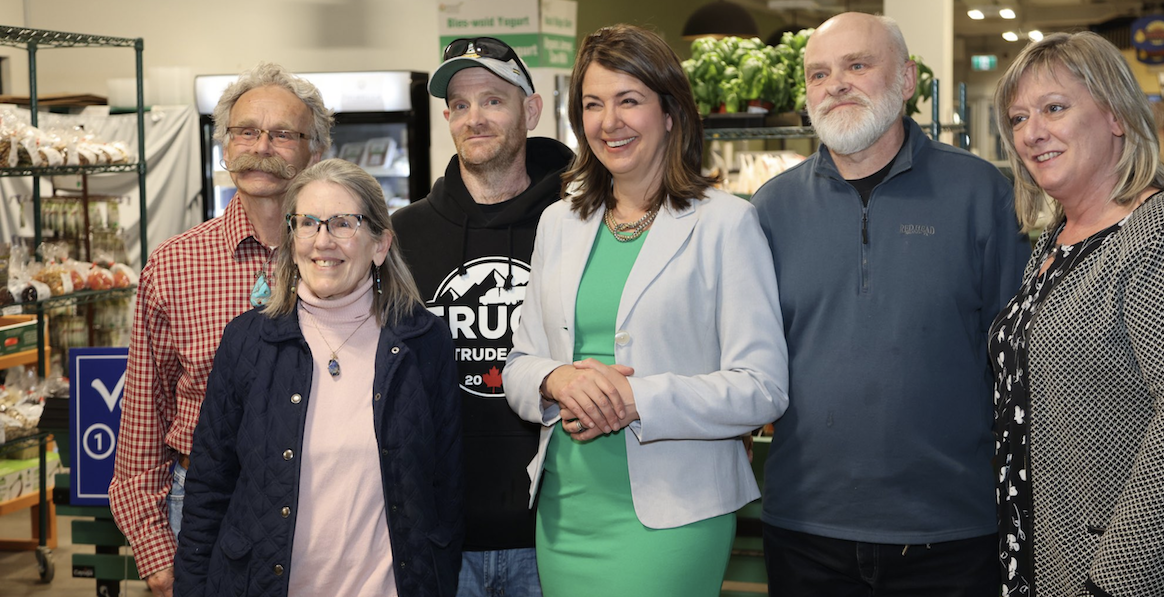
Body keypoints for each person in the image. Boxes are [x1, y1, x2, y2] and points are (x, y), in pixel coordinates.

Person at [504, 24, 788, 597]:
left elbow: (762, 387)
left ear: (670, 112)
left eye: (629, 100)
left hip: (675, 516)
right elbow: (519, 364)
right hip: (566, 509)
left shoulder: (726, 223)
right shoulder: (559, 222)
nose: (609, 121)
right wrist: (556, 379)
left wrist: (636, 400)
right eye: (593, 104)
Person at [752, 12, 1027, 596]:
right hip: (805, 527)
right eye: (818, 73)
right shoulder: (770, 209)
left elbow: (1018, 365)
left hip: (950, 532)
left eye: (857, 65)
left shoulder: (981, 193)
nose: (836, 84)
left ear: (906, 81)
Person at [173, 159, 463, 596]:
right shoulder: (247, 342)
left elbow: (446, 486)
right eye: (307, 223)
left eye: (343, 223)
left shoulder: (424, 342)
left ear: (380, 244)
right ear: (291, 240)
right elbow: (209, 488)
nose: (322, 241)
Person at [108, 63, 333, 597]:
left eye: (284, 134)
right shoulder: (173, 267)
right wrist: (160, 557)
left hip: (327, 500)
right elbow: (142, 426)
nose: (263, 146)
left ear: (316, 152)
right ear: (224, 148)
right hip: (208, 506)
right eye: (246, 131)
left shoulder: (351, 259)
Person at [989, 32, 1164, 596]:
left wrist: (1115, 583)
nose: (1032, 133)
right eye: (1019, 118)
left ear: (1116, 116)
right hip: (1039, 556)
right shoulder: (1054, 239)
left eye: (1054, 108)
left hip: (1117, 573)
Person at [391, 36, 572, 597]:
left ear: (531, 110)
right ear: (446, 117)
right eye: (461, 105)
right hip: (441, 537)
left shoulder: (579, 224)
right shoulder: (402, 235)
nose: (475, 118)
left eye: (493, 100)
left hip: (555, 535)